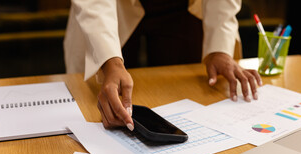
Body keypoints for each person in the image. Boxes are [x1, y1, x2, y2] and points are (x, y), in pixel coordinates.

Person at [64, 0, 262, 131]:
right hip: (113, 9)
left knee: (185, 103)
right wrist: (109, 61)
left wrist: (220, 48)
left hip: (184, 8)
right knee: (101, 101)